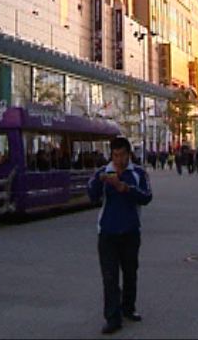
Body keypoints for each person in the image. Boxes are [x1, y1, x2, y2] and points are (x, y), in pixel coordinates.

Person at [87, 137, 153, 335]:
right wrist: (100, 183)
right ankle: (112, 317)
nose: (119, 159)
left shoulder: (138, 173)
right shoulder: (103, 172)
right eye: (115, 155)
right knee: (110, 276)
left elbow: (147, 196)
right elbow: (92, 195)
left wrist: (125, 188)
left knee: (130, 272)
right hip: (107, 232)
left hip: (131, 231)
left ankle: (128, 307)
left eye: (122, 155)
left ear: (129, 154)